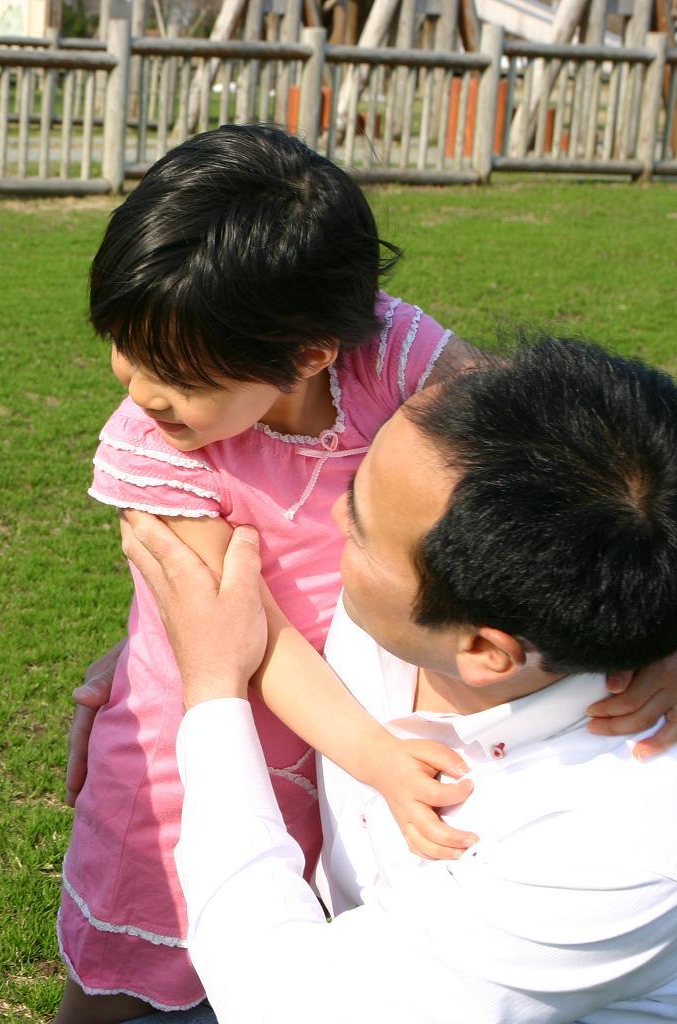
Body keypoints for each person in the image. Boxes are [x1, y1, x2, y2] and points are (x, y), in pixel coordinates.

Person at [57, 124, 677, 1023]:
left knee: (300, 913)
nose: (136, 387)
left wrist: (648, 620)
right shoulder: (154, 447)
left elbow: (540, 455)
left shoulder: (394, 357)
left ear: (308, 352)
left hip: (347, 706)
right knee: (142, 928)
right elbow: (235, 637)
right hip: (207, 704)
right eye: (123, 345)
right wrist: (377, 756)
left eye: (176, 372)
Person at [126, 335, 677, 1022]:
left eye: (359, 532)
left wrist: (213, 689)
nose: (334, 518)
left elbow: (283, 1002)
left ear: (485, 652)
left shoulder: (613, 847)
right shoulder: (503, 588)